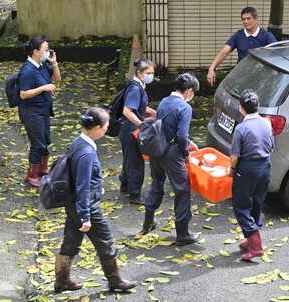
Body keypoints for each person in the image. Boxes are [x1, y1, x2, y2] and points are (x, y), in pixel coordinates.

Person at [54, 107, 136, 293]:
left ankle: (62, 281)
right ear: (97, 127)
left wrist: (97, 186)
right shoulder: (87, 153)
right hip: (85, 205)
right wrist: (85, 216)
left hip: (73, 202)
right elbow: (82, 185)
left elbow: (79, 177)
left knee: (71, 241)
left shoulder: (80, 141)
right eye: (106, 126)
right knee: (105, 239)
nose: (107, 129)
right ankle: (115, 281)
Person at [141, 73, 200, 246]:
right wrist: (186, 152)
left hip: (156, 149)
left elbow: (166, 127)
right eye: (193, 93)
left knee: (157, 183)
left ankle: (148, 222)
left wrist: (189, 142)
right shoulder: (185, 108)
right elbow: (181, 135)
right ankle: (183, 234)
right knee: (182, 189)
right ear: (189, 91)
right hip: (172, 153)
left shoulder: (164, 101)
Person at [228, 89, 274, 261]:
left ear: (241, 108)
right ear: (258, 106)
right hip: (265, 166)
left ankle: (256, 247)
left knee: (241, 205)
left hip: (247, 168)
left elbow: (234, 158)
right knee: (257, 202)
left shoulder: (241, 128)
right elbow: (271, 147)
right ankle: (250, 240)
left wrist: (232, 170)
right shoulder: (267, 123)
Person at [19, 36, 61, 187]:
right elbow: (23, 94)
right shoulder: (28, 71)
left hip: (43, 110)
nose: (48, 52)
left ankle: (43, 168)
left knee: (46, 140)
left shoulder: (42, 65)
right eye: (45, 49)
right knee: (37, 143)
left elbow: (57, 79)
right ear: (36, 51)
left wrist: (54, 63)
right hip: (31, 111)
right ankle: (31, 175)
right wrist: (43, 88)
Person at [207, 6, 276, 86]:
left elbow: (276, 55)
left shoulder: (267, 36)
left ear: (256, 19)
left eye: (248, 18)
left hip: (261, 77)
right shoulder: (238, 35)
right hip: (242, 76)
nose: (246, 21)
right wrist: (211, 68)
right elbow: (224, 52)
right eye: (243, 19)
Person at [118, 58, 156, 204]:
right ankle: (134, 194)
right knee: (135, 161)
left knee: (129, 157)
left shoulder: (138, 85)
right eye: (148, 72)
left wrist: (149, 111)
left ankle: (125, 185)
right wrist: (142, 125)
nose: (151, 75)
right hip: (130, 129)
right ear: (139, 72)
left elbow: (136, 105)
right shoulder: (135, 88)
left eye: (152, 73)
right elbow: (128, 111)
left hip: (127, 128)